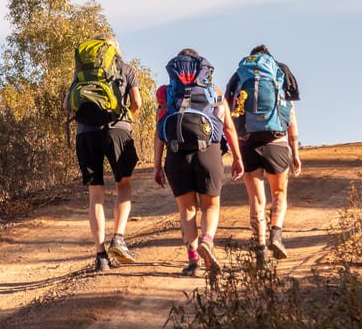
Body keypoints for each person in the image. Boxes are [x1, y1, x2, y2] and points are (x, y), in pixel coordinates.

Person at [153, 48, 243, 277]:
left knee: (187, 208)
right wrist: (237, 158)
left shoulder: (166, 93)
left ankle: (193, 260)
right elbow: (228, 128)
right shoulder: (214, 91)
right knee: (211, 205)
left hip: (176, 153)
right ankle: (207, 240)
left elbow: (158, 132)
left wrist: (156, 165)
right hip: (208, 152)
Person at [64, 36, 142, 272]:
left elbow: (68, 105)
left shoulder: (82, 72)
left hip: (85, 134)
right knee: (124, 185)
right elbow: (137, 101)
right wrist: (127, 119)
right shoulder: (126, 69)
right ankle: (118, 237)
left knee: (95, 193)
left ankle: (101, 256)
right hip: (117, 130)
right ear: (115, 49)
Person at [225, 44, 301, 268]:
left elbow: (229, 112)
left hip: (248, 143)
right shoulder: (280, 73)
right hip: (276, 141)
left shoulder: (239, 75)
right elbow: (291, 119)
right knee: (279, 193)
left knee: (257, 200)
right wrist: (295, 154)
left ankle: (261, 248)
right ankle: (276, 233)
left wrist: (235, 149)